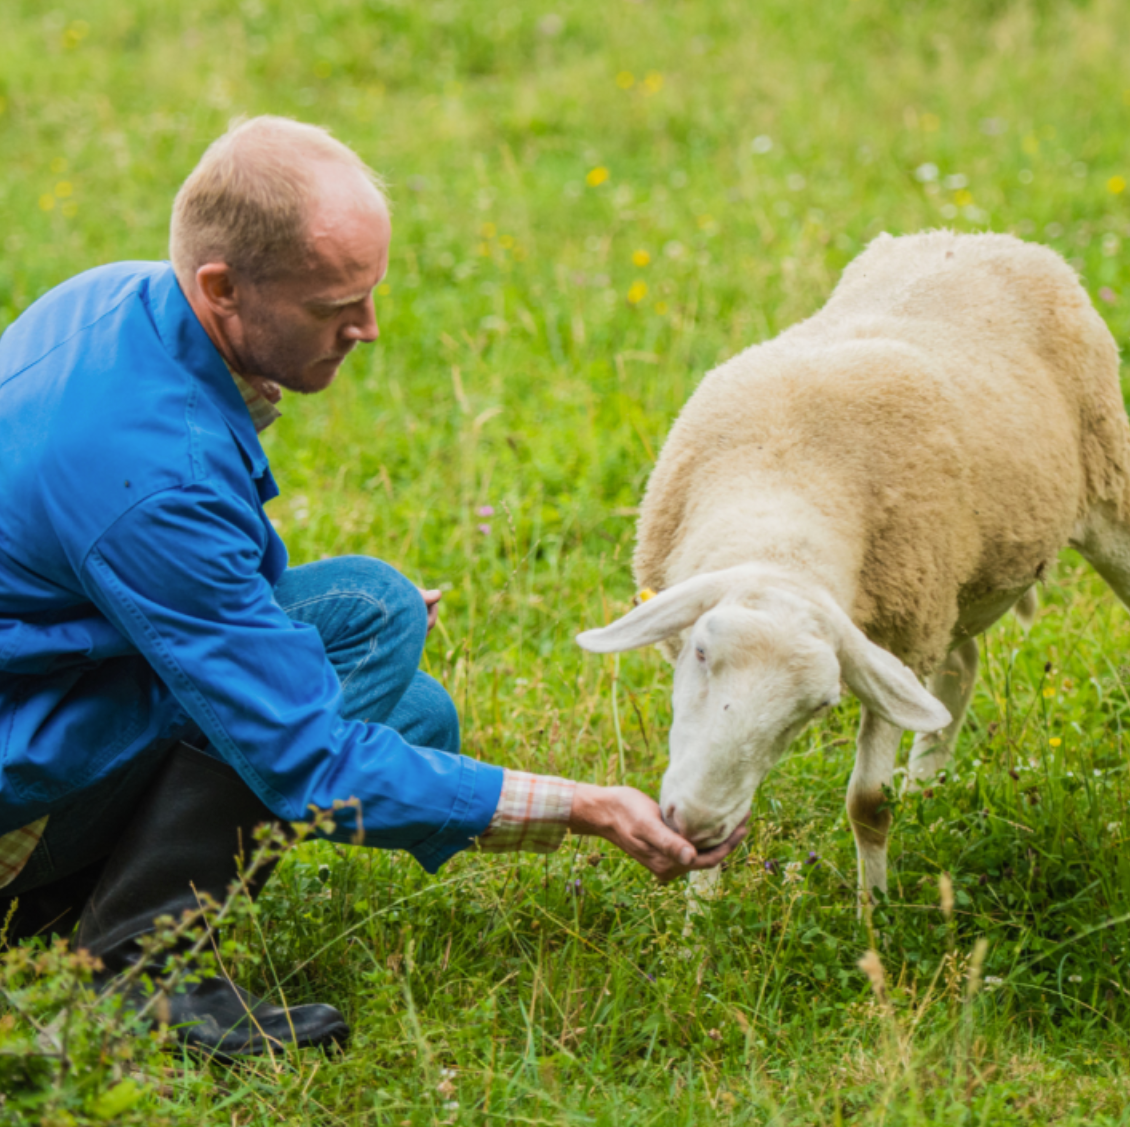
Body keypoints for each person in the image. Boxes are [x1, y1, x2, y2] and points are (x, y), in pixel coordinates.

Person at [0, 116, 746, 1057]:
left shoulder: (110, 303)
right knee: (367, 617)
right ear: (221, 288)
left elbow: (151, 569)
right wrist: (581, 806)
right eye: (333, 306)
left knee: (413, 705)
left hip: (36, 697)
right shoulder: (154, 475)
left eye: (369, 294)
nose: (368, 328)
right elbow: (305, 758)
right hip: (15, 788)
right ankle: (130, 978)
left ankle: (79, 914)